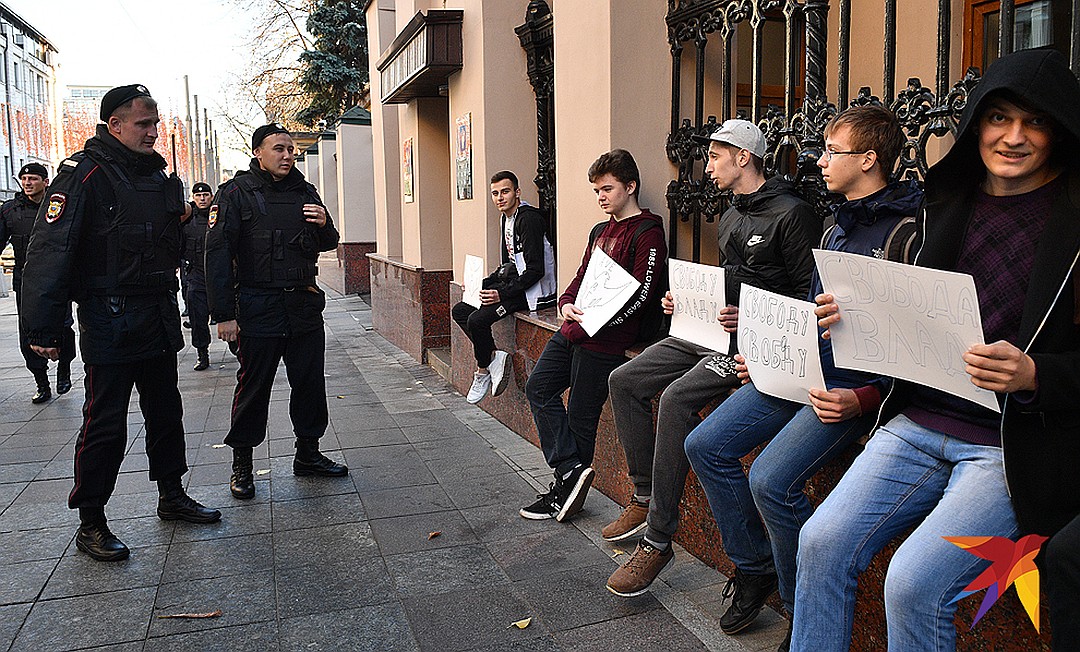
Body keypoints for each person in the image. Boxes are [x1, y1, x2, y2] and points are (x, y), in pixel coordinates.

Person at [793, 49, 1080, 651]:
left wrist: (1037, 374)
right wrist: (857, 317)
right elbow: (915, 313)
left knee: (914, 583)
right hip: (916, 419)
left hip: (1009, 443)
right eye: (1000, 118)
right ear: (978, 123)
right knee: (819, 542)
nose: (1014, 137)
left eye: (1036, 122)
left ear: (1059, 130)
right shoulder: (942, 204)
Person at [683, 106, 921, 651]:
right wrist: (764, 358)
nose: (819, 158)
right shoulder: (836, 228)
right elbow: (808, 313)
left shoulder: (910, 231)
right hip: (799, 373)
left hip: (850, 394)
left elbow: (918, 340)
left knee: (769, 479)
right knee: (704, 443)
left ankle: (798, 602)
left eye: (832, 150)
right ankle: (754, 566)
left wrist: (865, 399)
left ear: (868, 160)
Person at [603, 120, 820, 598]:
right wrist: (685, 301)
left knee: (679, 398)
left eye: (717, 155)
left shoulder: (792, 214)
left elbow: (807, 298)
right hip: (705, 331)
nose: (709, 165)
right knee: (625, 380)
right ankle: (644, 494)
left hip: (751, 344)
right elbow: (729, 279)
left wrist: (751, 318)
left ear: (743, 157)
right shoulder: (728, 216)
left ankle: (658, 538)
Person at [20, 84, 221, 562]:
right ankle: (91, 520)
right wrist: (45, 330)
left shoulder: (158, 177)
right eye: (143, 124)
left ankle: (171, 495)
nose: (153, 132)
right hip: (108, 317)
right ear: (114, 125)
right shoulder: (83, 173)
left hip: (156, 311)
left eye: (156, 123)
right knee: (106, 422)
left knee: (166, 412)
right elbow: (49, 253)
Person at [519, 149, 667, 521]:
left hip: (608, 340)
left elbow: (645, 294)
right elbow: (583, 275)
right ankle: (570, 470)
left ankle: (565, 492)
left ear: (630, 187)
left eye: (607, 188)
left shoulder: (648, 232)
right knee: (538, 387)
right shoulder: (600, 231)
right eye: (596, 190)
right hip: (574, 329)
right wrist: (567, 302)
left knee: (582, 415)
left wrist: (604, 323)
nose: (600, 196)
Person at [205, 123, 348, 501]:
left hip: (302, 305)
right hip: (256, 307)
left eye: (291, 150)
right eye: (278, 149)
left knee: (309, 384)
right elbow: (217, 256)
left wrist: (324, 225)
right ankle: (242, 464)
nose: (287, 156)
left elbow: (328, 240)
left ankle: (308, 454)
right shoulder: (235, 194)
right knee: (253, 389)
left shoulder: (305, 190)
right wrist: (224, 315)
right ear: (258, 153)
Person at [452, 170, 556, 403]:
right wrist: (478, 285)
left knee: (477, 320)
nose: (500, 197)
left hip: (534, 292)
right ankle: (494, 357)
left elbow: (535, 270)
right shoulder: (506, 219)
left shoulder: (528, 219)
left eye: (505, 191)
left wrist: (500, 293)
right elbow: (507, 266)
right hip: (515, 285)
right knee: (460, 310)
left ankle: (481, 371)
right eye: (495, 193)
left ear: (517, 192)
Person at [1, 163, 77, 403]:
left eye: (33, 178)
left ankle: (64, 366)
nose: (27, 183)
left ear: (46, 181)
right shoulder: (10, 211)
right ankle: (41, 381)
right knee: (28, 331)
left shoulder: (58, 206)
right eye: (24, 179)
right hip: (26, 281)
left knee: (63, 324)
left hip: (57, 278)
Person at [181, 181, 214, 370]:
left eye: (206, 195)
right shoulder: (187, 219)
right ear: (193, 198)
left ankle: (237, 348)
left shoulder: (219, 217)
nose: (202, 199)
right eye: (198, 196)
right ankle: (202, 353)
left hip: (218, 276)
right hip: (196, 275)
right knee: (198, 318)